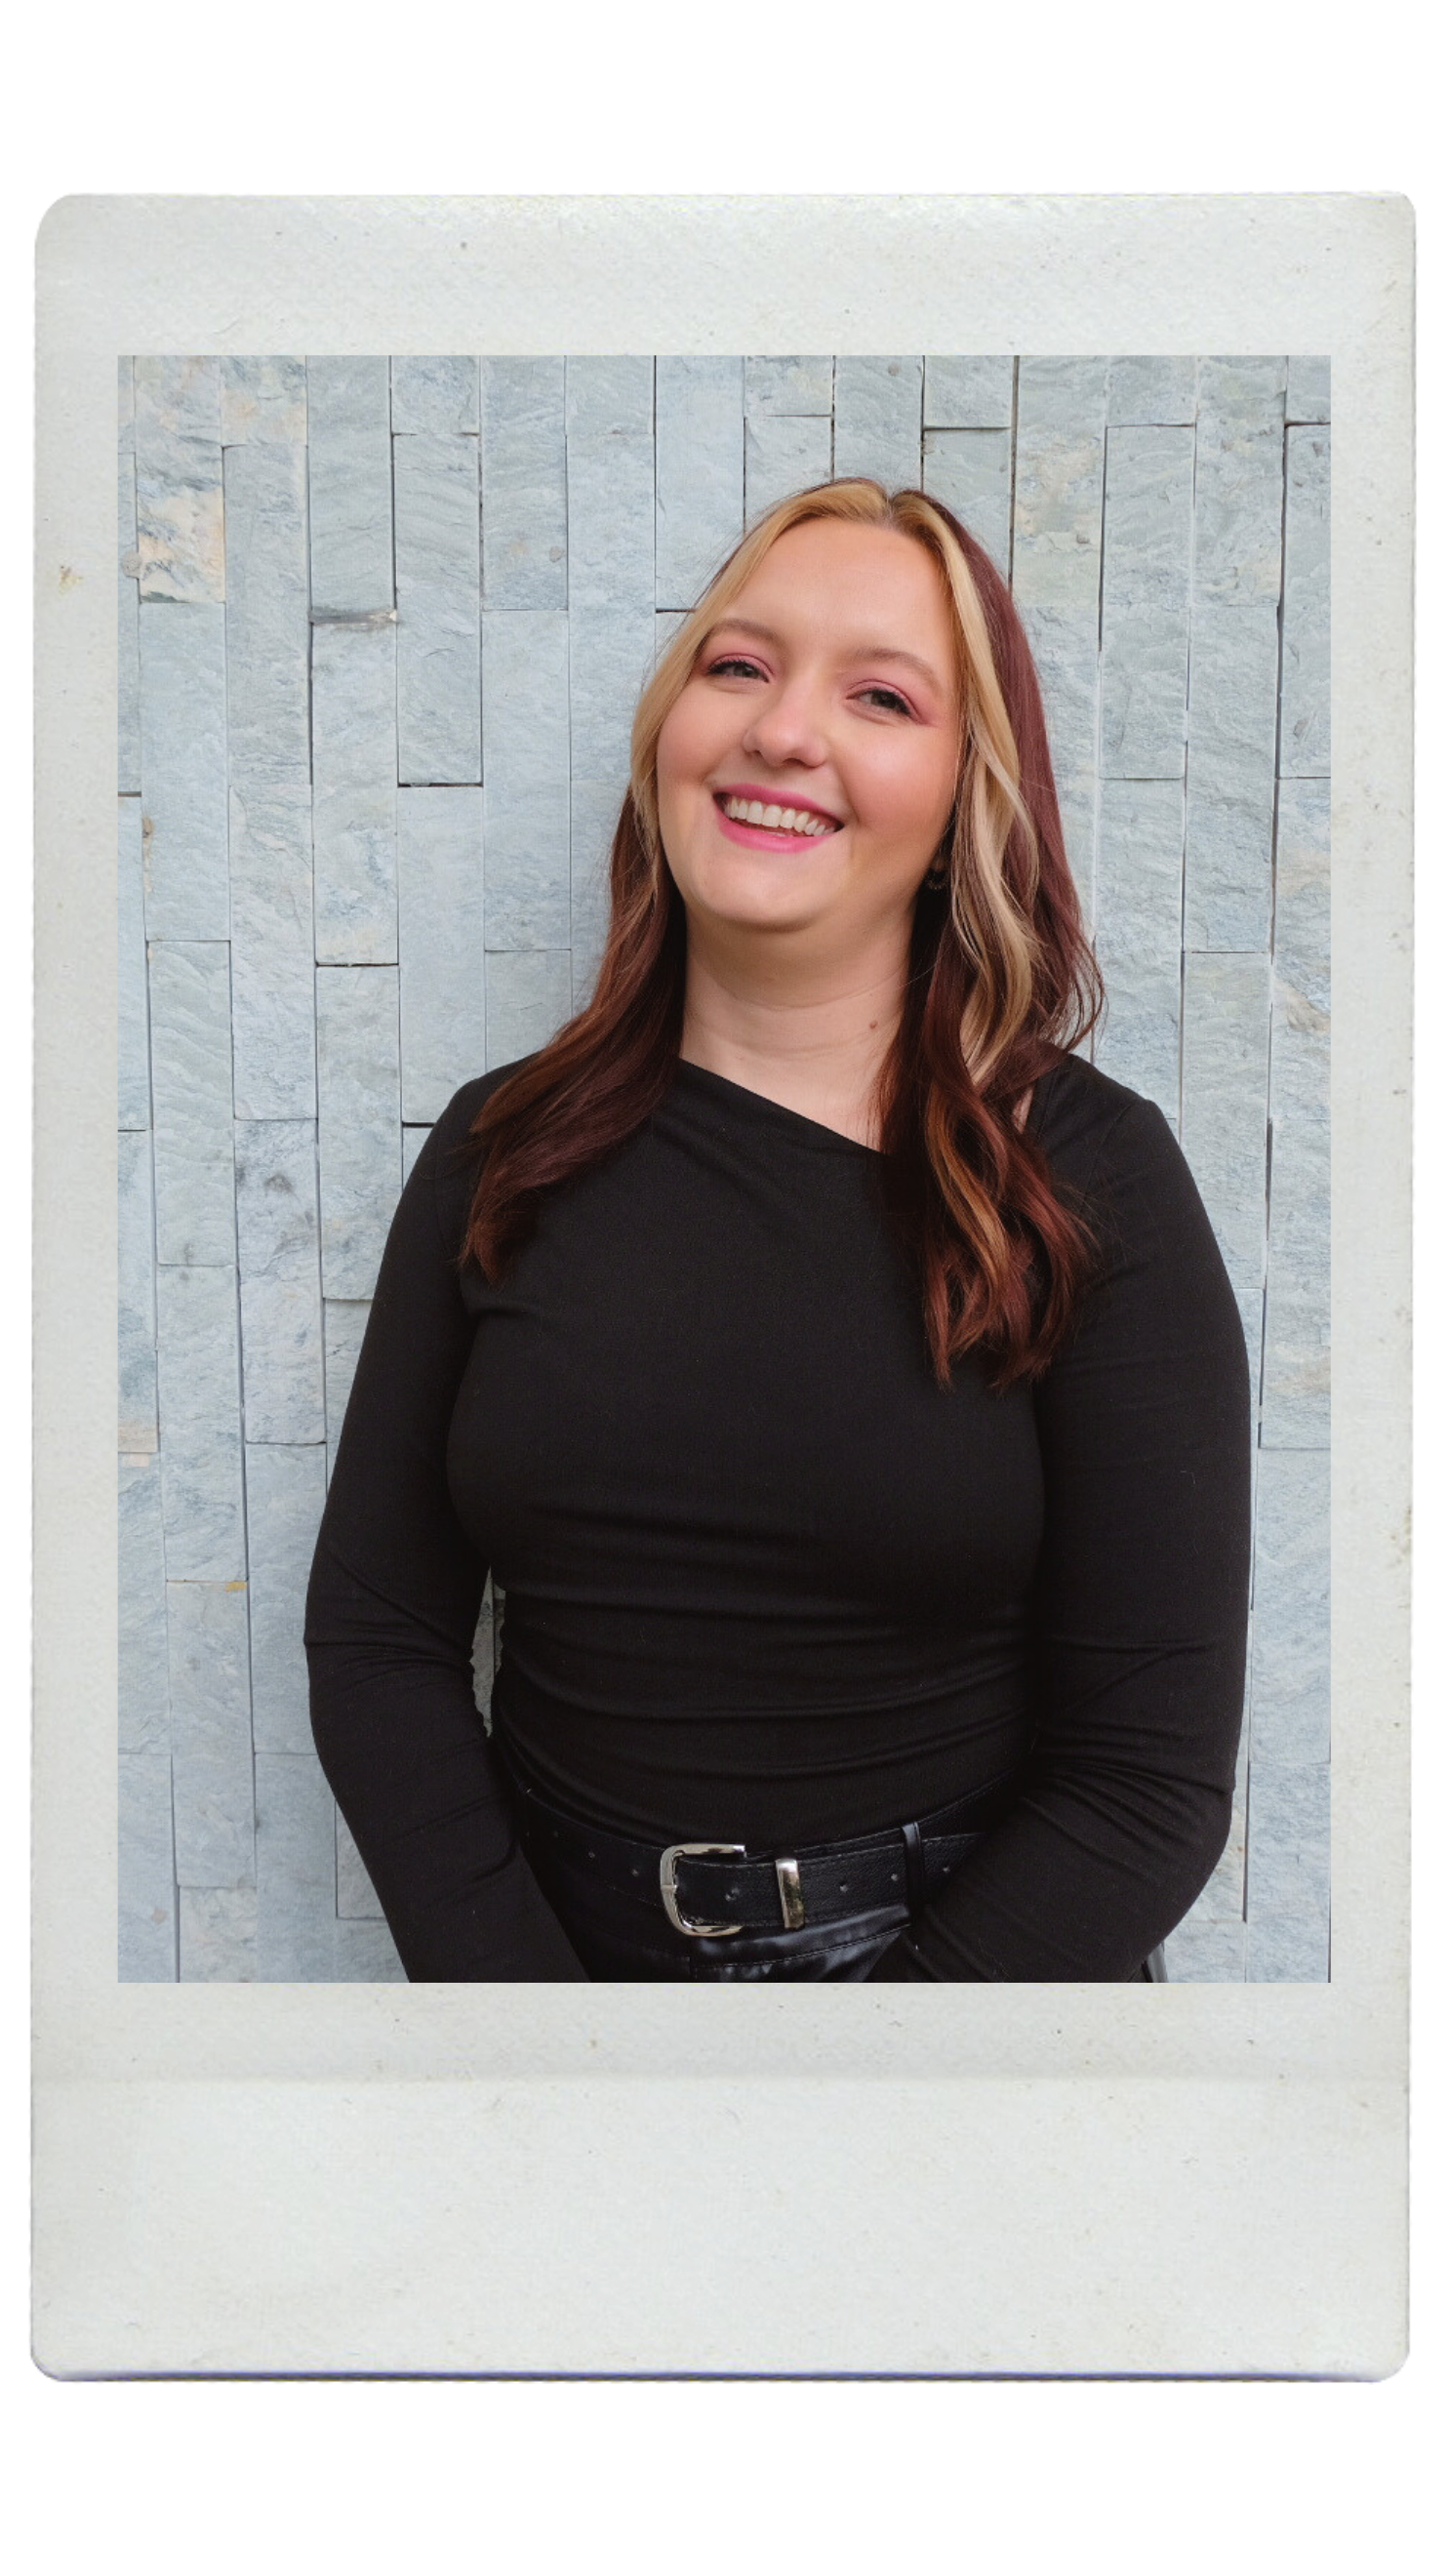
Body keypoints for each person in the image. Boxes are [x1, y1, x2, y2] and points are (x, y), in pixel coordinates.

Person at [305, 479, 1252, 1985]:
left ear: (962, 803)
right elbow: (377, 1646)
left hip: (957, 2008)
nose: (783, 729)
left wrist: (854, 2092)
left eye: (881, 697)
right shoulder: (504, 1148)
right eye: (739, 666)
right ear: (668, 737)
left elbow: (1146, 1788)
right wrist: (541, 2045)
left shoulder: (1085, 1177)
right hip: (549, 1984)